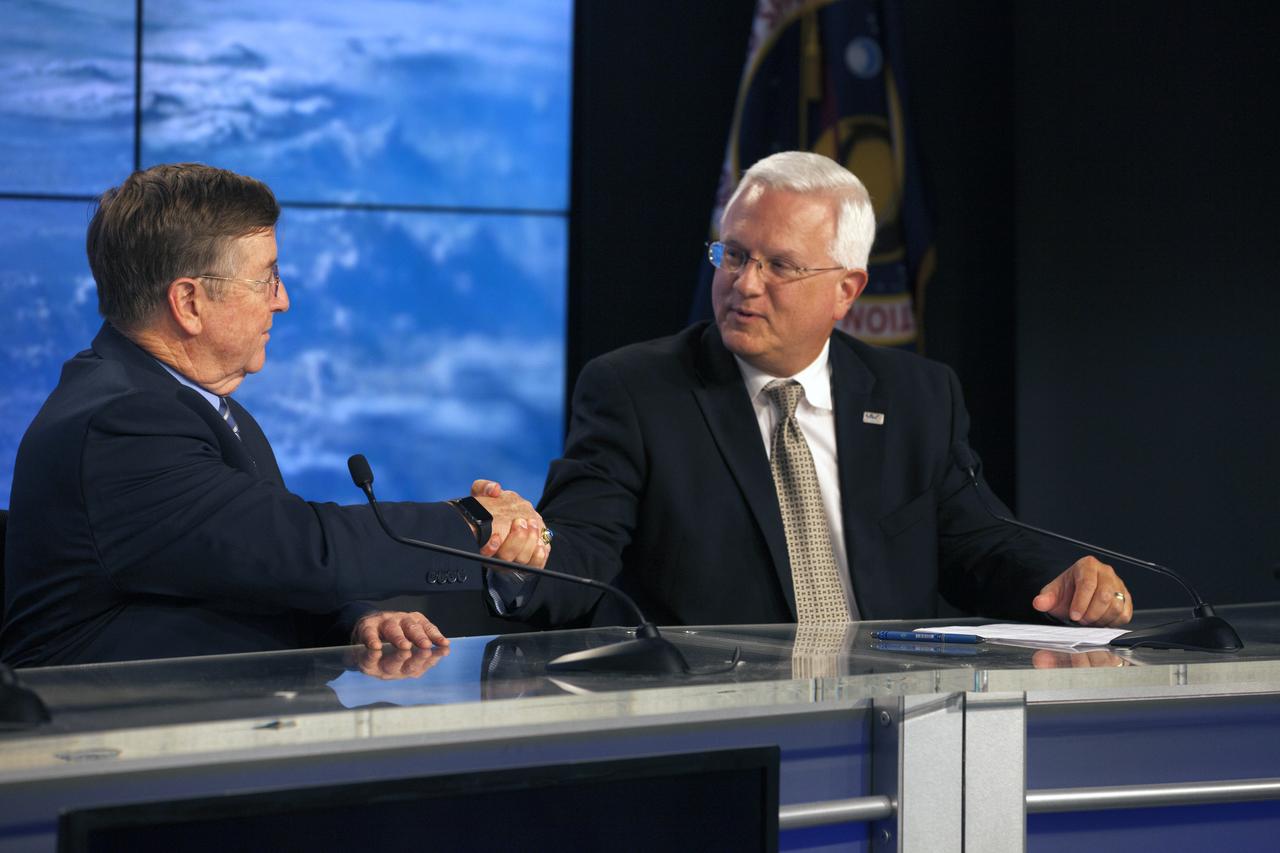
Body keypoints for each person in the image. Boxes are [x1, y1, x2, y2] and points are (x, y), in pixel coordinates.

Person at [485, 151, 1132, 630]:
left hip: (893, 715)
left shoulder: (917, 396)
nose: (744, 284)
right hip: (717, 722)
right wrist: (523, 557)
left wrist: (1061, 575)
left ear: (846, 290)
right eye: (733, 255)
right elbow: (581, 553)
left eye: (780, 265)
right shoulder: (634, 391)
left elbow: (980, 543)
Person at [0, 163, 548, 668]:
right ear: (189, 303)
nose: (282, 300)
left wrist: (356, 618)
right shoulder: (121, 423)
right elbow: (302, 548)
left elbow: (253, 565)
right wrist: (473, 524)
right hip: (123, 751)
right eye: (267, 278)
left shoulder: (208, 410)